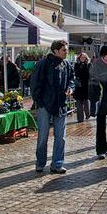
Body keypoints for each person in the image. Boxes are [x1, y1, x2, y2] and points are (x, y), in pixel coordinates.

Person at [30, 39, 76, 174]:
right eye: (64, 50)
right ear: (56, 51)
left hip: (61, 104)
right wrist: (40, 101)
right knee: (43, 135)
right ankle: (40, 163)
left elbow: (72, 79)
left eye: (66, 50)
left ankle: (57, 164)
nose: (66, 52)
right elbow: (35, 83)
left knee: (61, 136)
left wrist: (70, 88)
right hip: (45, 105)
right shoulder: (43, 64)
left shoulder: (66, 64)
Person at [74, 53, 91, 122]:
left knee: (86, 103)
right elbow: (75, 73)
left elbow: (90, 74)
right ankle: (80, 118)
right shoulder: (76, 65)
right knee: (79, 104)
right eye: (81, 57)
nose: (83, 59)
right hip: (79, 86)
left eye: (84, 57)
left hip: (86, 86)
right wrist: (80, 67)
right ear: (79, 58)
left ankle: (87, 115)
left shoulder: (89, 65)